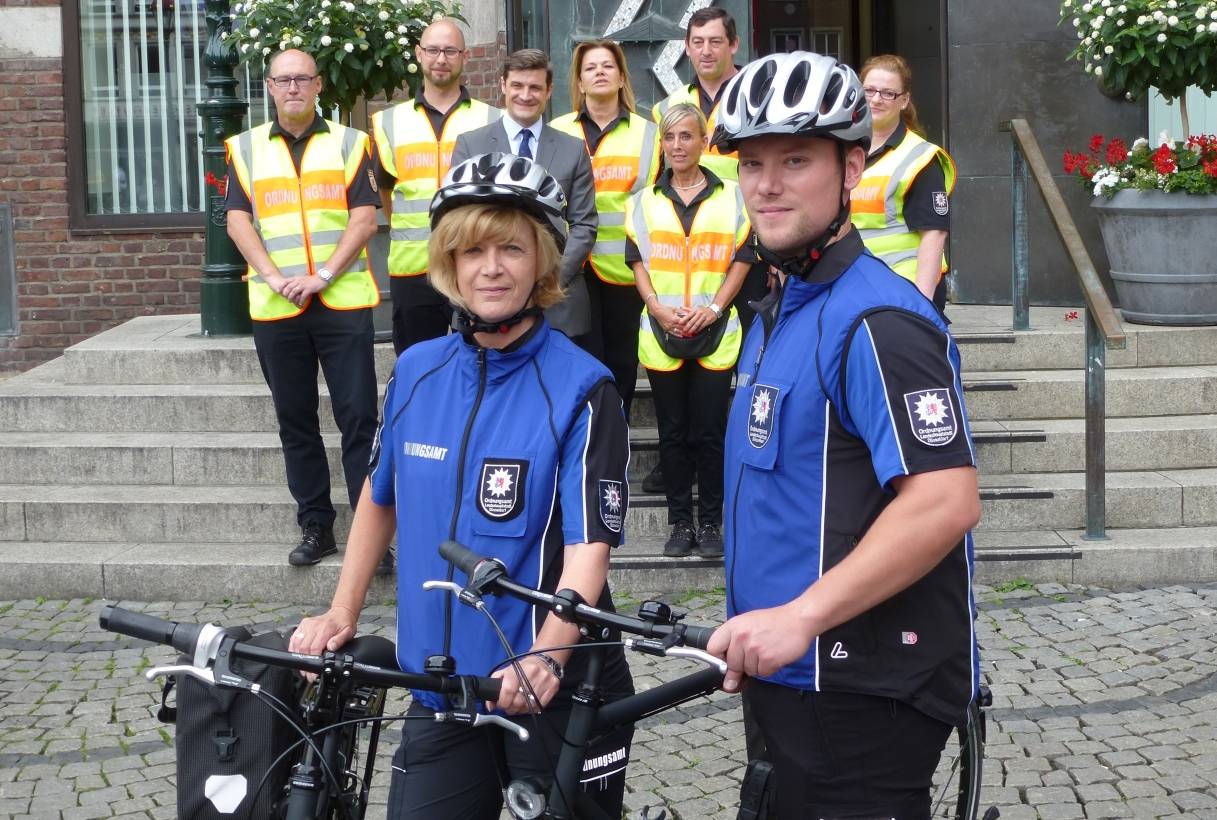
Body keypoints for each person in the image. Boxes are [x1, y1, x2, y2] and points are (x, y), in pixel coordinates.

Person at [289, 153, 635, 819]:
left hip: (550, 685)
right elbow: (379, 497)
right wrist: (341, 611)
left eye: (510, 247)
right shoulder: (416, 371)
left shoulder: (581, 385)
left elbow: (592, 543)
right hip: (439, 685)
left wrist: (546, 657)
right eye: (471, 249)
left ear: (541, 261)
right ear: (448, 262)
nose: (491, 267)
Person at [706, 52, 981, 817]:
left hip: (859, 687)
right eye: (752, 162)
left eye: (795, 160)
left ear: (851, 167)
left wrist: (798, 617)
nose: (766, 184)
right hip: (791, 677)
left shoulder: (876, 321)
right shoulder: (781, 306)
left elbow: (944, 503)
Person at [224, 48, 385, 571]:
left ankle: (371, 534)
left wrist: (323, 275)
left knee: (359, 419)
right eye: (283, 80)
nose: (293, 88)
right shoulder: (244, 149)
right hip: (277, 306)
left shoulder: (349, 143)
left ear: (318, 86)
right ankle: (316, 526)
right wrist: (275, 277)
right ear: (269, 87)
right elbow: (237, 222)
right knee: (295, 421)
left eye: (302, 79)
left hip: (340, 301)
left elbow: (364, 218)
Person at [625, 103, 751, 560]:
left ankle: (712, 523)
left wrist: (716, 308)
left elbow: (743, 259)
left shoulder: (733, 196)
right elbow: (636, 260)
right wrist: (656, 307)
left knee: (711, 433)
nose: (678, 145)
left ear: (703, 141)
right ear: (662, 143)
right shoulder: (641, 201)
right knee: (673, 433)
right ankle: (680, 523)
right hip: (662, 332)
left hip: (715, 331)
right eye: (670, 137)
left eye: (687, 136)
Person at [370, 18, 500, 354]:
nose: (440, 59)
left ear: (464, 57)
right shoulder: (388, 122)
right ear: (419, 54)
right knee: (417, 366)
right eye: (432, 50)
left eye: (450, 51)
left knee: (482, 362)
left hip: (473, 263)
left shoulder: (493, 119)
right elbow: (387, 192)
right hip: (414, 267)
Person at [451, 49, 598, 344]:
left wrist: (545, 278)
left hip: (559, 301)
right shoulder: (471, 145)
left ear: (549, 91)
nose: (526, 95)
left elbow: (584, 225)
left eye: (535, 88)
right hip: (489, 299)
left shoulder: (572, 149)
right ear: (503, 85)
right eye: (517, 86)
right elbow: (458, 222)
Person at [551, 39, 660, 417]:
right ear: (579, 83)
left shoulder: (650, 135)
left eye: (607, 66)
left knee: (622, 363)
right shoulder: (556, 130)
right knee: (576, 359)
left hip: (624, 269)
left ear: (621, 78)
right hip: (569, 269)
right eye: (590, 67)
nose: (599, 72)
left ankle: (615, 440)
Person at [851, 54, 957, 315]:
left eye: (888, 94)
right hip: (854, 285)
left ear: (904, 100)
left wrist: (920, 306)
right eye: (870, 90)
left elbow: (934, 235)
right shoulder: (843, 149)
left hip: (903, 290)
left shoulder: (920, 158)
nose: (876, 99)